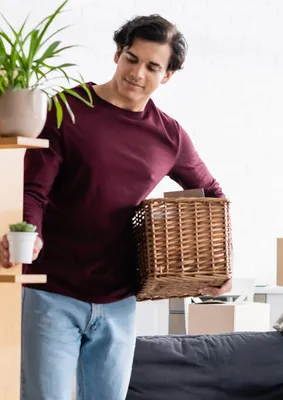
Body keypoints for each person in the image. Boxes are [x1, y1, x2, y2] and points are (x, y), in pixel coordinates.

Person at [0, 14, 231, 400]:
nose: (137, 72)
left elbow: (211, 194)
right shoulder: (67, 108)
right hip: (53, 294)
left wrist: (218, 265)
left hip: (120, 301)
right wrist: (30, 233)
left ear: (168, 75)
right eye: (131, 58)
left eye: (152, 66)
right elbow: (34, 190)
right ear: (117, 55)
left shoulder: (169, 135)